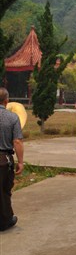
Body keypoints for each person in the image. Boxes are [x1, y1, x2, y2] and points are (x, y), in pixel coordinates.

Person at [0, 87, 23, 231]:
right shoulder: (13, 117)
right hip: (4, 160)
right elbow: (17, 141)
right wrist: (20, 161)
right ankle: (5, 220)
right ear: (6, 101)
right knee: (4, 191)